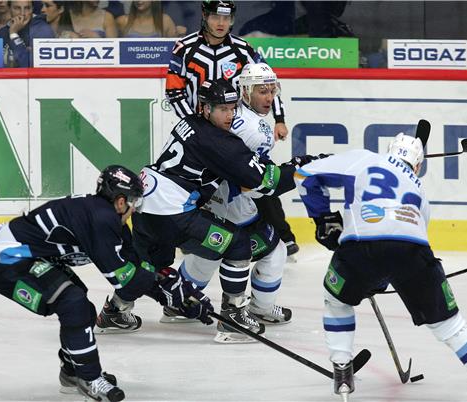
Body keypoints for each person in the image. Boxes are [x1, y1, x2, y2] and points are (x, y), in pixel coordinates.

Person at [294, 133, 467, 401]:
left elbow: (304, 175)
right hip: (413, 252)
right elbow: (410, 243)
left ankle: (341, 369)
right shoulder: (419, 190)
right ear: (418, 166)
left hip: (359, 249)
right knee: (452, 327)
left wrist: (323, 218)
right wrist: (386, 277)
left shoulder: (364, 159)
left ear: (389, 150)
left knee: (336, 301)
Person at [97, 79, 313, 340]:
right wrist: (304, 167)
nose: (229, 115)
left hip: (146, 206)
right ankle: (234, 315)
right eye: (222, 109)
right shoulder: (219, 142)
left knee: (151, 266)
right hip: (173, 212)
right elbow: (268, 182)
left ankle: (114, 311)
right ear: (205, 108)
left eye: (233, 108)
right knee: (236, 244)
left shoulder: (188, 122)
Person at [0, 165, 213, 401]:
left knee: (83, 308)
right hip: (5, 261)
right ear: (121, 201)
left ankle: (73, 370)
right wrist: (165, 288)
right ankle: (89, 377)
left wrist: (177, 292)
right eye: (134, 202)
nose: (135, 209)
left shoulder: (108, 217)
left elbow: (137, 265)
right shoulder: (101, 218)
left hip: (32, 257)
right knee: (73, 302)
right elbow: (127, 282)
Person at [171, 64, 314, 342]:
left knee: (207, 255)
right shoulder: (254, 128)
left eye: (272, 90)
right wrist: (294, 172)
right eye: (262, 91)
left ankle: (178, 301)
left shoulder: (234, 116)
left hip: (204, 200)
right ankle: (255, 309)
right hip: (233, 203)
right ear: (245, 91)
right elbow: (255, 183)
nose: (269, 97)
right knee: (273, 250)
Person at [166, 0, 300, 259]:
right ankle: (192, 236)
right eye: (216, 17)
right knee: (194, 182)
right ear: (205, 15)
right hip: (200, 133)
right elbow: (174, 91)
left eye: (227, 19)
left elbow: (270, 82)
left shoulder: (243, 49)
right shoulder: (184, 48)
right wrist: (195, 128)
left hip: (238, 129)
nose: (221, 23)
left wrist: (279, 118)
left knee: (261, 176)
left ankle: (284, 235)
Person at [0, 0, 55, 67]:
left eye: (27, 8)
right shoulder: (2, 32)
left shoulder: (43, 30)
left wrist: (14, 35)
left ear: (32, 9)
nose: (22, 13)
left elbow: (27, 66)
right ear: (9, 9)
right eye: (17, 8)